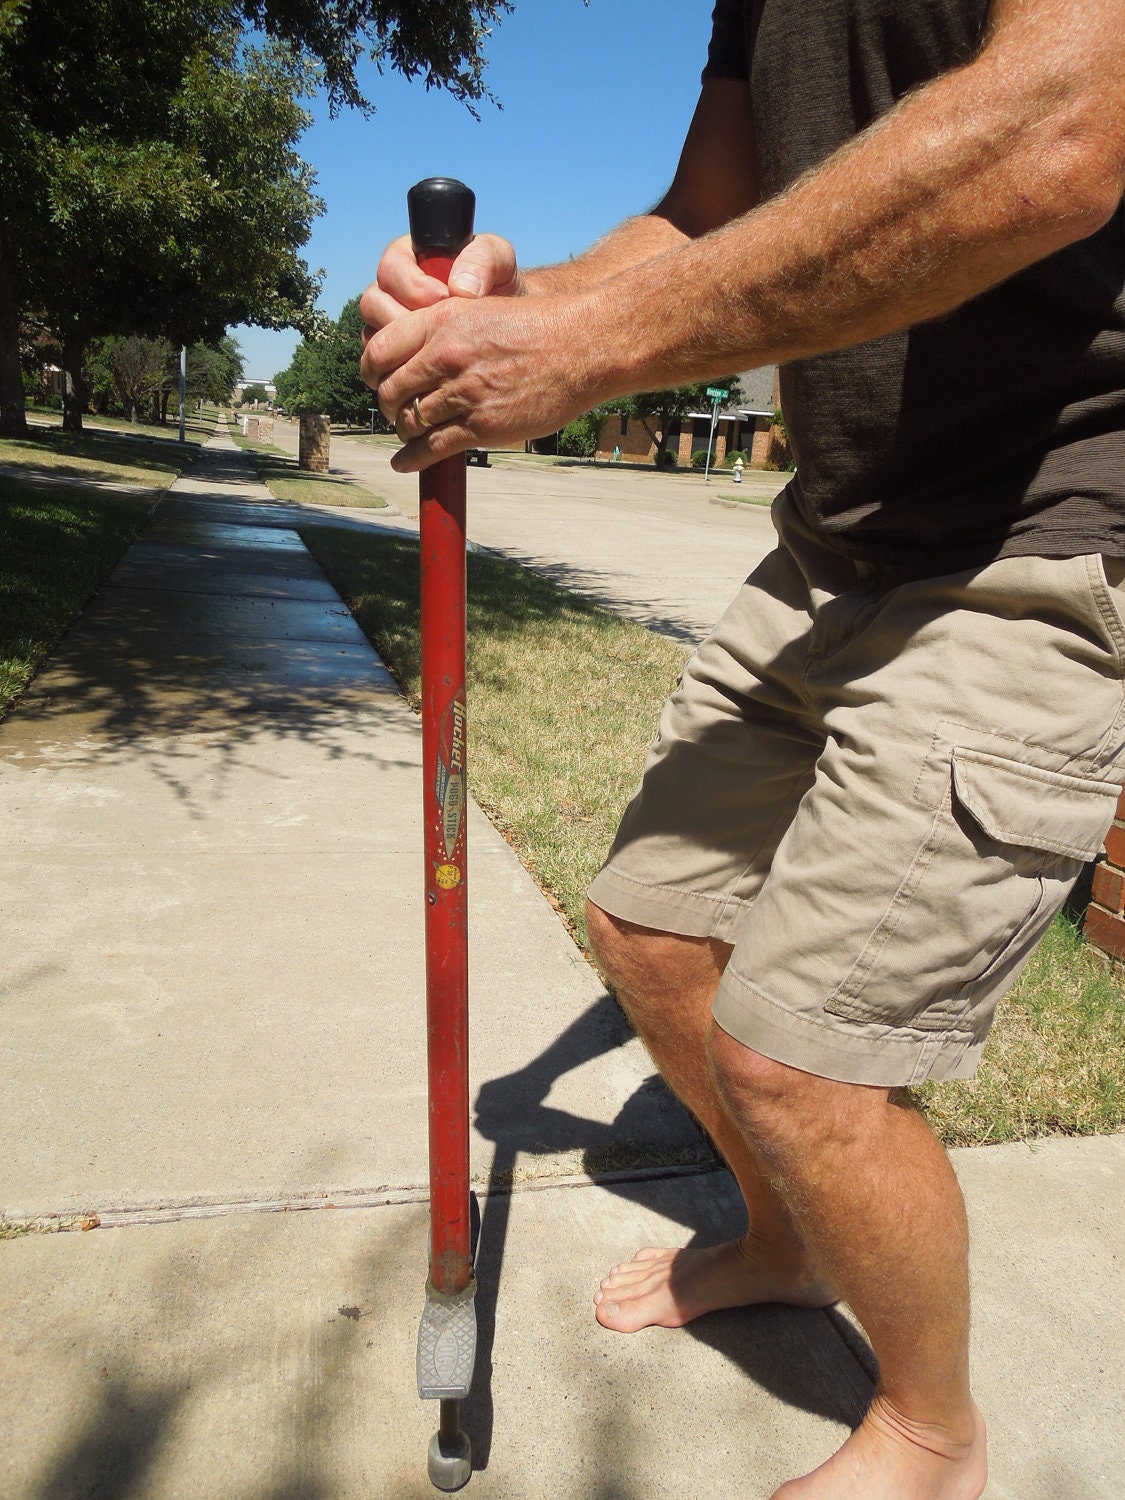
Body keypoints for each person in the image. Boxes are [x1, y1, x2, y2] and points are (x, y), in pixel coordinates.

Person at [360, 1, 1125, 1494]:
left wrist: (589, 345)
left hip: (1041, 537)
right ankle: (784, 1246)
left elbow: (1061, 130)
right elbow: (707, 219)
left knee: (799, 1061)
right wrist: (525, 306)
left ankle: (926, 1428)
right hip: (837, 540)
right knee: (651, 928)